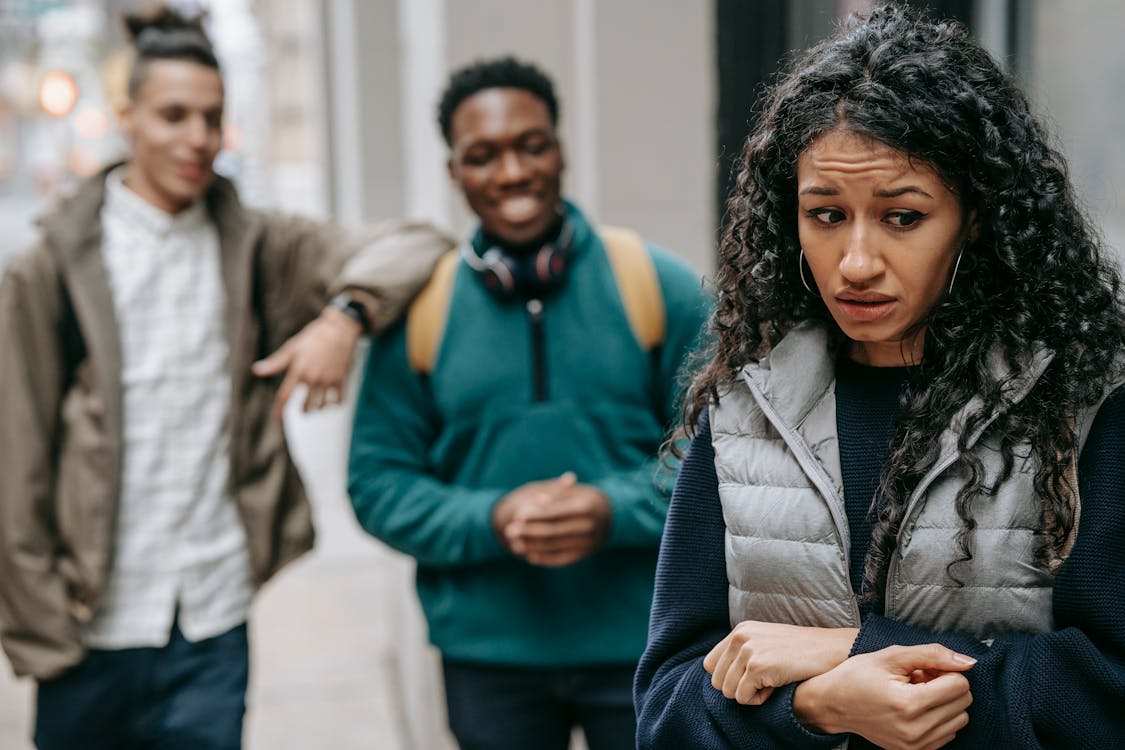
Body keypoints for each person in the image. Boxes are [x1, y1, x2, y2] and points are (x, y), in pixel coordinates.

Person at [635, 5, 1125, 749]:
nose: (856, 262)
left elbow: (1106, 690)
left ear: (975, 218)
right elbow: (664, 710)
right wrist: (814, 708)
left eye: (901, 217)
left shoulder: (1080, 404)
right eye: (826, 215)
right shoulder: (746, 409)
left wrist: (853, 648)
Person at [0, 8, 450, 750]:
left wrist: (343, 319)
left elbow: (418, 243)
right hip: (90, 631)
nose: (197, 138)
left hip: (211, 622)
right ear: (127, 120)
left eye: (212, 118)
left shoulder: (258, 243)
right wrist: (44, 627)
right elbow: (15, 459)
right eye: (173, 116)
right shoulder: (50, 266)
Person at [347, 56, 709, 750]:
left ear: (561, 148)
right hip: (488, 661)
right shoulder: (419, 312)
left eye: (530, 145)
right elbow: (375, 482)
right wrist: (492, 518)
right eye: (482, 156)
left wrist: (612, 510)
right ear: (454, 172)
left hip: (643, 643)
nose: (511, 173)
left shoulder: (657, 286)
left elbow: (722, 456)